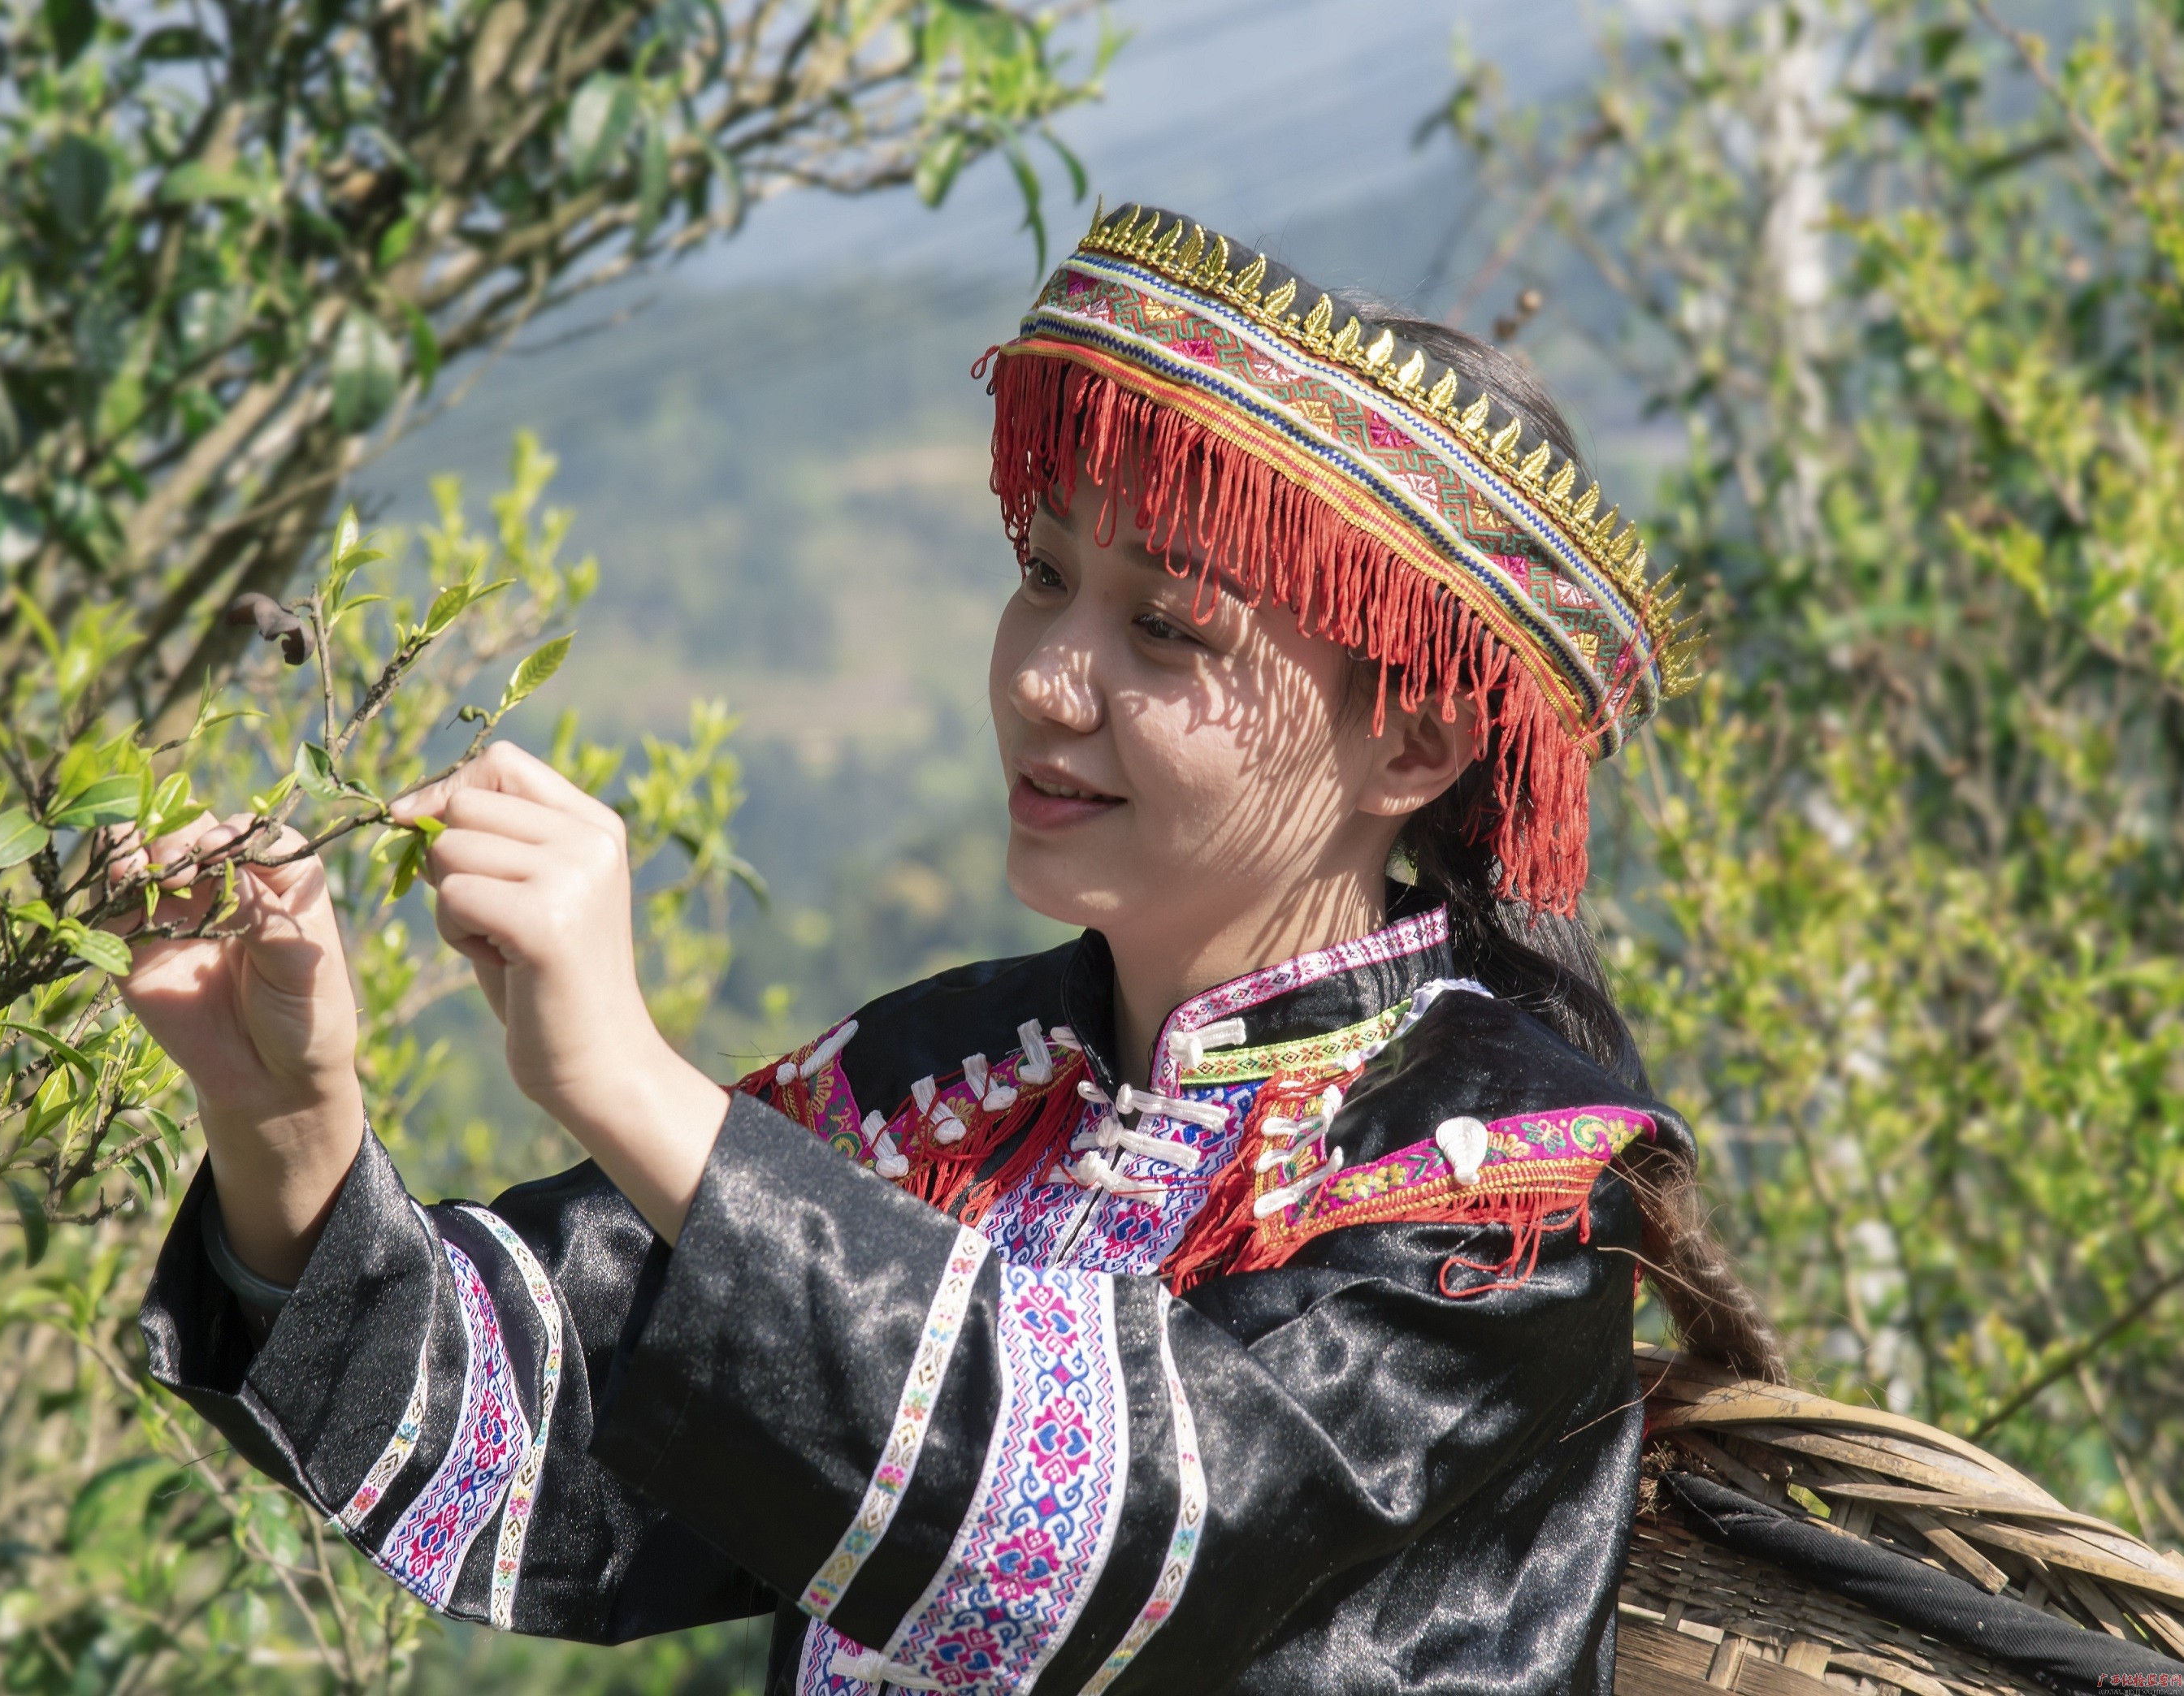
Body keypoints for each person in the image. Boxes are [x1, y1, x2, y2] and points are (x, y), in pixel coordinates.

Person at [120, 202, 1784, 1695]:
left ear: (1413, 748)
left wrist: (627, 1080)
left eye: (1165, 625)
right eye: (1042, 576)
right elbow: (552, 1441)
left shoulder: (1501, 1196)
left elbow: (1111, 1542)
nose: (1048, 679)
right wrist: (289, 1122)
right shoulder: (940, 1093)